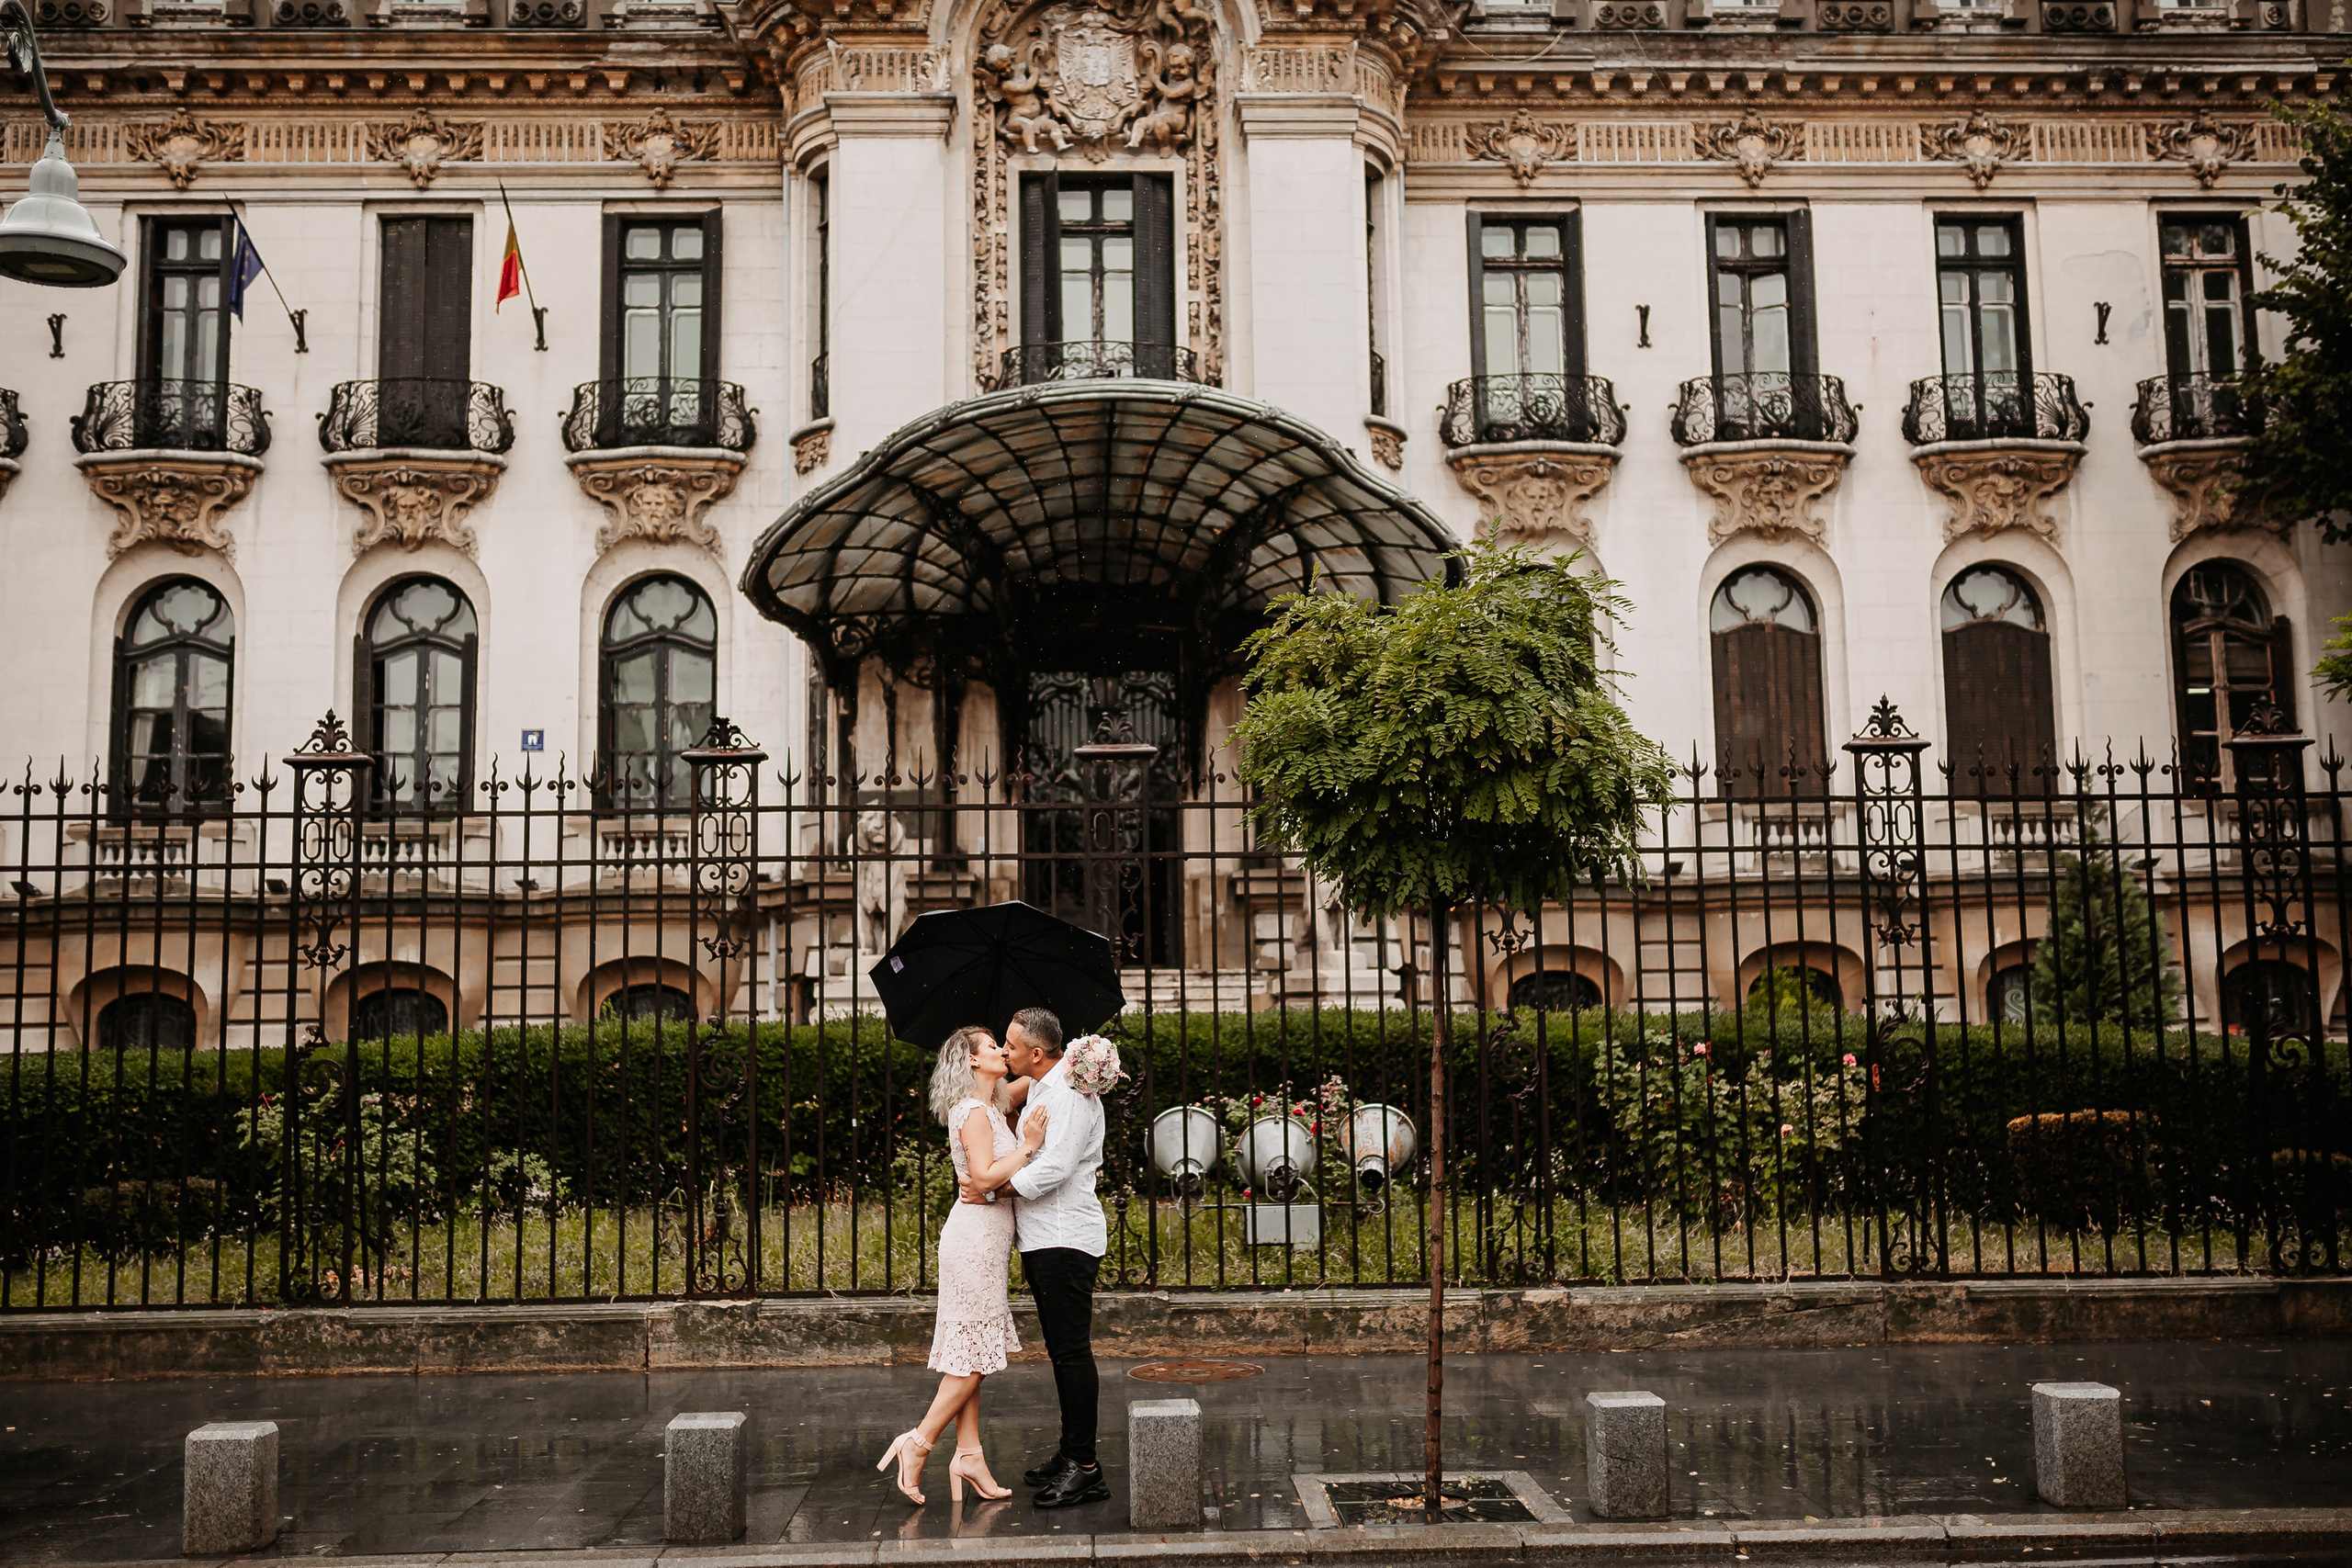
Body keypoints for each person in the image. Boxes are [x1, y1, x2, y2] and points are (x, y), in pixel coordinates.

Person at [877, 1024, 1050, 1506]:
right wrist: (1029, 1145)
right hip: (973, 1240)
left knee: (967, 1352)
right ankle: (918, 1442)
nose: (1002, 1051)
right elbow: (985, 1177)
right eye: (992, 1046)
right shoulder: (974, 1112)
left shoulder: (990, 1104)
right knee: (975, 1357)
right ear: (973, 1061)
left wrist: (1071, 1060)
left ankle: (970, 1453)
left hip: (984, 1241)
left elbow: (1036, 1082)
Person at [963, 1005, 1110, 1509]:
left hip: (1065, 1237)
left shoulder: (1066, 1094)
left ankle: (1085, 1468)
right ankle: (1071, 1452)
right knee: (1062, 1351)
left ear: (1037, 1052)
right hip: (1046, 1236)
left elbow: (1056, 1168)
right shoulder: (1049, 1087)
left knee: (1072, 1352)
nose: (1005, 1050)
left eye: (1011, 1044)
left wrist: (995, 1191)